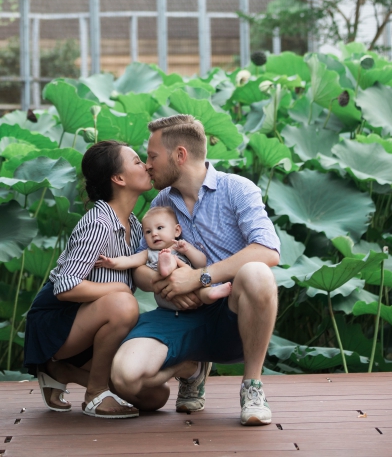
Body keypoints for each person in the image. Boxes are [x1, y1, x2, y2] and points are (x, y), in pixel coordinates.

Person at [110, 114, 280, 427]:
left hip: (229, 311)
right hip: (178, 314)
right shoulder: (162, 201)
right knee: (123, 377)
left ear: (180, 155)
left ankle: (252, 386)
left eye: (152, 156)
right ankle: (190, 369)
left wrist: (199, 278)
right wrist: (167, 286)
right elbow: (140, 268)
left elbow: (268, 250)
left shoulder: (237, 190)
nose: (147, 165)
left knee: (258, 273)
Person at [23, 139, 152, 419]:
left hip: (89, 326)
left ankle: (59, 371)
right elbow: (66, 286)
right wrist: (118, 287)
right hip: (57, 319)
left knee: (152, 397)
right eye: (137, 162)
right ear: (118, 178)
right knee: (124, 304)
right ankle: (95, 394)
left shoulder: (137, 227)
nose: (147, 165)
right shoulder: (99, 223)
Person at [95, 205, 232, 308]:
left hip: (189, 288)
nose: (154, 234)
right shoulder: (148, 253)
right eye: (148, 232)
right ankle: (166, 268)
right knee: (190, 282)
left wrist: (188, 250)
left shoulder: (181, 247)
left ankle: (212, 293)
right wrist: (112, 262)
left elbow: (202, 263)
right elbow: (130, 260)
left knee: (202, 290)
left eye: (160, 228)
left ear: (177, 230)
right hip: (167, 296)